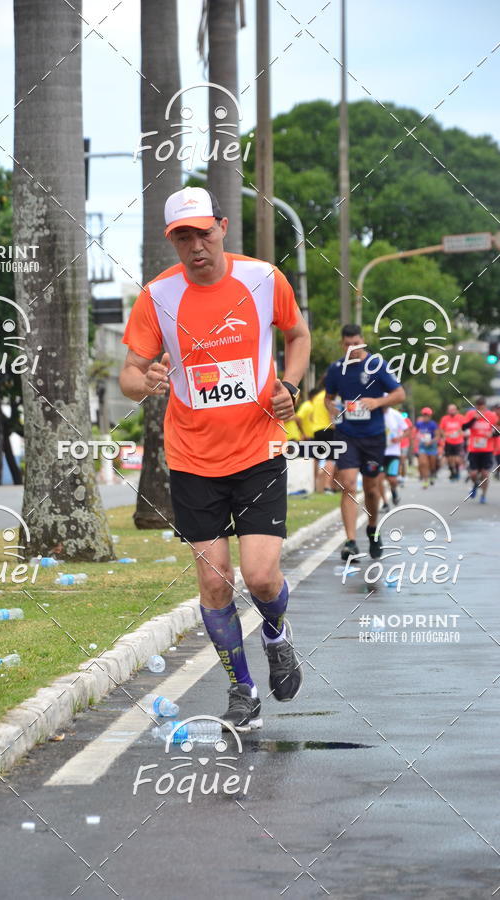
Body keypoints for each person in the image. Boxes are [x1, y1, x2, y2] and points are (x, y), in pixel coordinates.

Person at [119, 187, 311, 731]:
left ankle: (276, 632)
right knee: (214, 584)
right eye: (184, 236)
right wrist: (146, 381)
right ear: (172, 241)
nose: (196, 245)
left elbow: (297, 335)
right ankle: (241, 688)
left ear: (223, 227)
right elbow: (130, 374)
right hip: (192, 458)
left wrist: (290, 386)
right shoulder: (158, 297)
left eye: (204, 232)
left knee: (261, 577)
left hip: (258, 449)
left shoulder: (262, 279)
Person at [324, 324, 405, 562]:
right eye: (348, 345)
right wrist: (333, 412)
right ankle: (350, 541)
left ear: (363, 342)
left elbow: (399, 394)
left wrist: (377, 402)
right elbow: (328, 399)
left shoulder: (377, 365)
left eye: (356, 344)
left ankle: (372, 528)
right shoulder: (336, 369)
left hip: (373, 436)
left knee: (371, 488)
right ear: (342, 345)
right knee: (348, 484)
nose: (352, 349)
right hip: (347, 435)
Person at [462, 397, 499, 504]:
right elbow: (464, 427)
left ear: (485, 406)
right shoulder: (470, 414)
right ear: (475, 407)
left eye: (482, 408)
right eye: (478, 408)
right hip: (474, 449)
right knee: (473, 473)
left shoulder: (492, 416)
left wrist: (492, 433)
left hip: (487, 449)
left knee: (484, 473)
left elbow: (498, 430)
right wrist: (474, 419)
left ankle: (483, 495)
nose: (480, 410)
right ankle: (475, 484)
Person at [380, 404, 409, 510]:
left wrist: (399, 438)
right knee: (379, 479)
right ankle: (385, 503)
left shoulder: (396, 414)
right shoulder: (375, 413)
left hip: (393, 452)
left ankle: (394, 492)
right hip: (378, 452)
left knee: (392, 479)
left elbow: (407, 430)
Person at [439, 403, 465, 481]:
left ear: (456, 410)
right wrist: (445, 435)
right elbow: (441, 429)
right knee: (449, 459)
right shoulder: (444, 419)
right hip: (448, 441)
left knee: (457, 459)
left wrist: (460, 432)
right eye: (450, 410)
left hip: (458, 441)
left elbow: (465, 427)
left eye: (453, 410)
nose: (452, 411)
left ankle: (457, 472)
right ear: (448, 411)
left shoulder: (461, 418)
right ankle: (452, 472)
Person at [414, 407, 439, 488]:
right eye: (424, 415)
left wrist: (431, 441)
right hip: (423, 446)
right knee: (423, 463)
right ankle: (425, 480)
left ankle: (432, 474)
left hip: (431, 446)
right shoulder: (419, 424)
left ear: (430, 416)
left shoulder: (433, 424)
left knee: (432, 464)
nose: (425, 417)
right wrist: (416, 437)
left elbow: (437, 436)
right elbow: (414, 433)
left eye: (427, 415)